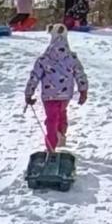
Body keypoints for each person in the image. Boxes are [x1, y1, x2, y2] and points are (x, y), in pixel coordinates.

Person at [24, 23, 88, 153]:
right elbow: (80, 74)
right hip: (65, 95)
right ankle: (61, 133)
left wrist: (29, 93)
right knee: (61, 112)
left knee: (52, 118)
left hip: (49, 95)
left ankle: (51, 145)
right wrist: (83, 91)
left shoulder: (43, 59)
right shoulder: (72, 58)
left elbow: (35, 76)